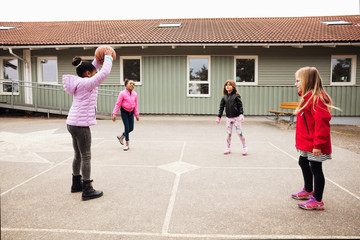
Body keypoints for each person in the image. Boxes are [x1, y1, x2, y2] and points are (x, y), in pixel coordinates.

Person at [62, 46, 114, 201]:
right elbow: (104, 73)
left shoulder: (80, 81)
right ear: (88, 74)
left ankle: (76, 184)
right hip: (81, 124)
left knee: (78, 155)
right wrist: (109, 57)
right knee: (86, 156)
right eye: (93, 72)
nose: (95, 74)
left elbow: (92, 69)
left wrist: (97, 61)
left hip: (72, 123)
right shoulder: (88, 83)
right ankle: (87, 189)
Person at [291, 66, 337, 210]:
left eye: (298, 80)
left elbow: (322, 125)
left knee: (316, 168)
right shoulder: (306, 98)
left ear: (308, 81)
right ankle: (308, 190)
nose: (296, 83)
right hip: (306, 143)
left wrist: (318, 144)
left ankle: (317, 200)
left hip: (315, 144)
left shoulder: (317, 100)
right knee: (303, 162)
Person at [216, 80, 247, 155]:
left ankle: (244, 147)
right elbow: (221, 107)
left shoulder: (236, 96)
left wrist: (241, 114)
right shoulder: (224, 97)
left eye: (229, 85)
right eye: (226, 85)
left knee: (239, 133)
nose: (227, 86)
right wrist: (219, 117)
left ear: (233, 87)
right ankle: (228, 147)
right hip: (228, 118)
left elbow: (240, 106)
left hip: (236, 118)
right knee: (228, 134)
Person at [112, 78, 139, 151]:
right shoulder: (122, 93)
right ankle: (127, 144)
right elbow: (118, 104)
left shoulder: (135, 94)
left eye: (133, 84)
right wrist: (114, 114)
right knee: (126, 128)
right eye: (130, 83)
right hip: (124, 112)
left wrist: (136, 114)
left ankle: (122, 136)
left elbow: (135, 105)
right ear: (126, 84)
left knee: (131, 128)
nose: (132, 85)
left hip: (131, 112)